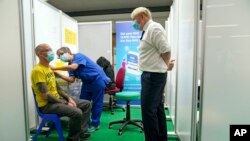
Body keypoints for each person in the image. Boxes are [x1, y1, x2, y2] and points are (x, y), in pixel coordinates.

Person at [31, 43, 91, 141]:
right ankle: (72, 139)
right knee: (77, 112)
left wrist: (69, 98)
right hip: (47, 105)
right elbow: (46, 95)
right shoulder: (38, 71)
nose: (51, 52)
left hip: (57, 100)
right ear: (41, 54)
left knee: (86, 104)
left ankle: (81, 132)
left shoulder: (49, 68)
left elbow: (58, 88)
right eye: (48, 50)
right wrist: (66, 103)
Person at [131, 7, 175, 141]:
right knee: (157, 109)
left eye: (136, 20)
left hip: (154, 76)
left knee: (148, 112)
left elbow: (166, 50)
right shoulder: (147, 30)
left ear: (143, 16)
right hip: (152, 75)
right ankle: (161, 138)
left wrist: (165, 66)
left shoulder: (154, 28)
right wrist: (164, 66)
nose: (135, 24)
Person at [52, 47, 110, 132]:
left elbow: (74, 67)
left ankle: (95, 124)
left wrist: (55, 68)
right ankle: (85, 123)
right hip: (87, 82)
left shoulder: (78, 56)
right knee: (83, 102)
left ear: (68, 52)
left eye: (61, 54)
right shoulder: (69, 65)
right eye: (58, 56)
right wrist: (58, 75)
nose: (60, 57)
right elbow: (71, 80)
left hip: (97, 79)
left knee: (97, 103)